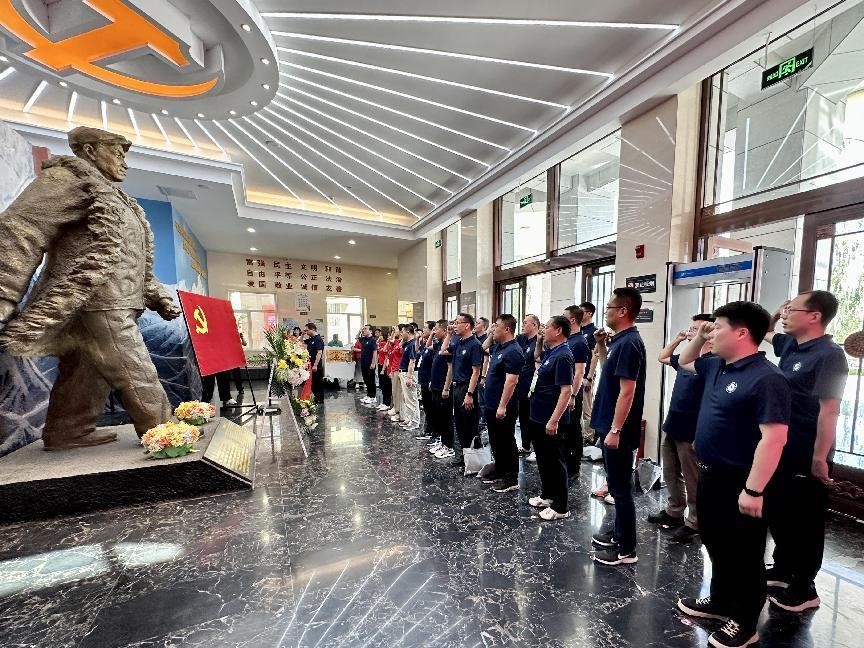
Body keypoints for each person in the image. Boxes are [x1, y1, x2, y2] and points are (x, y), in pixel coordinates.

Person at [0, 126, 179, 449]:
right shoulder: (68, 180)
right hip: (96, 295)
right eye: (117, 153)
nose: (124, 163)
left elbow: (129, 258)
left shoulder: (112, 196)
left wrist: (156, 294)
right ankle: (165, 432)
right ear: (90, 151)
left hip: (113, 298)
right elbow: (23, 227)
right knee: (134, 366)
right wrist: (5, 290)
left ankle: (68, 429)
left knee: (87, 368)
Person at [676, 302, 790, 648]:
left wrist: (753, 490)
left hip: (742, 480)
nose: (711, 333)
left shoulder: (767, 378)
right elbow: (684, 361)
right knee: (715, 541)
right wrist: (700, 336)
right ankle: (721, 600)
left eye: (718, 327)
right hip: (710, 474)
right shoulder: (716, 365)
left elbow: (774, 438)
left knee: (745, 553)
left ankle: (745, 620)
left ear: (741, 333)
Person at [762, 291, 848, 612]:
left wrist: (820, 457)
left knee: (806, 521)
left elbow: (830, 410)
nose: (785, 315)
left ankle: (805, 588)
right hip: (783, 446)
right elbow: (766, 331)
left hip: (807, 450)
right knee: (779, 511)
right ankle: (783, 568)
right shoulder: (792, 346)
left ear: (814, 316)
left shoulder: (830, 355)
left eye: (792, 310)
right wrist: (777, 311)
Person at [590, 287, 646, 566]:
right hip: (609, 424)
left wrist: (615, 430)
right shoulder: (619, 341)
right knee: (615, 485)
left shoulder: (629, 343)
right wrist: (602, 346)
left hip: (618, 430)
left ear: (623, 311)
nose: (606, 311)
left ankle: (626, 550)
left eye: (609, 307)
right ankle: (618, 534)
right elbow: (609, 373)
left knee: (621, 490)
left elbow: (627, 391)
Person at [648, 313, 715, 543]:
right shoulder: (687, 359)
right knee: (670, 472)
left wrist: (700, 435)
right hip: (673, 424)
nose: (690, 332)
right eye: (691, 327)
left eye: (696, 329)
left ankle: (694, 522)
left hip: (691, 431)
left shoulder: (710, 363)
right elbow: (662, 357)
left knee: (692, 478)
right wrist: (677, 339)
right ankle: (674, 510)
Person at [527, 316, 574, 520]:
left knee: (556, 462)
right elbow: (538, 364)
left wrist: (554, 420)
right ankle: (548, 495)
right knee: (544, 459)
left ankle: (561, 507)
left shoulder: (563, 355)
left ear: (559, 331)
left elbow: (566, 391)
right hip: (538, 416)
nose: (543, 330)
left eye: (547, 327)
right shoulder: (551, 352)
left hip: (551, 419)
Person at [481, 315, 525, 492]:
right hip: (491, 403)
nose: (492, 329)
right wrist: (492, 333)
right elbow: (483, 347)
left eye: (496, 326)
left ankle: (511, 479)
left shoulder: (513, 351)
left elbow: (511, 382)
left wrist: (502, 406)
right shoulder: (500, 346)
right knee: (496, 440)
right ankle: (500, 470)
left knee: (506, 441)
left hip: (504, 406)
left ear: (507, 329)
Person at [440, 313, 483, 468]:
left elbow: (476, 371)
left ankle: (473, 460)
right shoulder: (459, 342)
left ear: (467, 325)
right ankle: (462, 456)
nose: (455, 325)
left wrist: (470, 394)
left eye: (458, 323)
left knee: (469, 424)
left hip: (467, 387)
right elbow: (443, 350)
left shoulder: (474, 344)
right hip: (457, 386)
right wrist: (449, 334)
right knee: (458, 423)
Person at [562, 305, 590, 471]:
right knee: (565, 428)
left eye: (564, 316)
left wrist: (572, 395)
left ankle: (574, 463)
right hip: (563, 391)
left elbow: (579, 371)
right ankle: (565, 458)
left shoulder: (579, 342)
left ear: (572, 320)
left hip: (572, 393)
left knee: (573, 427)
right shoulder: (567, 339)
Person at [427, 320, 455, 459]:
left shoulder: (448, 346)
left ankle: (449, 446)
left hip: (443, 387)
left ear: (444, 331)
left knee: (446, 417)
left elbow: (450, 369)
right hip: (436, 385)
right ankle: (443, 442)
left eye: (437, 329)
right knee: (438, 416)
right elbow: (428, 346)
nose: (434, 331)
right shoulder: (439, 344)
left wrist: (446, 388)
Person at [516, 314, 541, 459]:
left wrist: (533, 387)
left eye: (525, 323)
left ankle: (535, 448)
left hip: (532, 385)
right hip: (520, 384)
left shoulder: (539, 341)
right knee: (523, 416)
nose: (522, 325)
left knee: (533, 417)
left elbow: (539, 364)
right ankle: (525, 445)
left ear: (534, 325)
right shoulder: (520, 339)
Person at [579, 301, 598, 442]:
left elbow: (594, 356)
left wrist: (589, 377)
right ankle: (579, 435)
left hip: (586, 375)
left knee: (586, 407)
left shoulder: (593, 331)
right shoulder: (578, 330)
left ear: (589, 313)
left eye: (582, 311)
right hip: (576, 374)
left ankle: (588, 437)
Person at [415, 321, 438, 440]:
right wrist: (417, 339)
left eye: (425, 328)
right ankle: (428, 430)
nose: (423, 329)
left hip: (429, 379)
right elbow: (418, 351)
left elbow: (434, 364)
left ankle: (432, 431)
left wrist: (431, 380)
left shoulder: (434, 345)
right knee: (427, 407)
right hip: (423, 379)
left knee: (431, 407)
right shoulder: (425, 344)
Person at [396, 324, 420, 430]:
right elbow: (400, 346)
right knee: (406, 398)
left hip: (408, 373)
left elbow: (412, 361)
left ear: (408, 333)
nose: (401, 334)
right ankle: (408, 418)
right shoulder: (407, 344)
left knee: (411, 399)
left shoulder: (412, 344)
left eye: (403, 332)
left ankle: (414, 422)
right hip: (403, 372)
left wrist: (409, 377)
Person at [304, 322, 325, 403]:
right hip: (310, 365)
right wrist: (302, 334)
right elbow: (300, 342)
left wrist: (315, 365)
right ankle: (316, 397)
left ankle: (320, 399)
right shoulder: (311, 339)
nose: (306, 332)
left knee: (317, 383)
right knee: (313, 383)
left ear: (312, 329)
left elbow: (319, 352)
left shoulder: (318, 339)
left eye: (307, 330)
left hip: (316, 366)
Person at [358, 324, 379, 407]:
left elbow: (375, 352)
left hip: (370, 364)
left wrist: (373, 363)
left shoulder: (372, 340)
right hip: (363, 363)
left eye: (365, 329)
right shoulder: (363, 339)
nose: (364, 330)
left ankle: (373, 397)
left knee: (371, 380)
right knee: (366, 380)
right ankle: (369, 395)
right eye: (364, 329)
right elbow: (357, 338)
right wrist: (360, 331)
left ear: (370, 331)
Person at [376, 329, 393, 412]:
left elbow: (385, 352)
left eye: (382, 335)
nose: (380, 336)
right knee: (382, 385)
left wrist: (383, 369)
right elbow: (378, 350)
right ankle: (384, 402)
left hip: (385, 366)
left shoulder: (389, 344)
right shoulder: (381, 343)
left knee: (387, 386)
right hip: (380, 365)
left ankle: (387, 403)